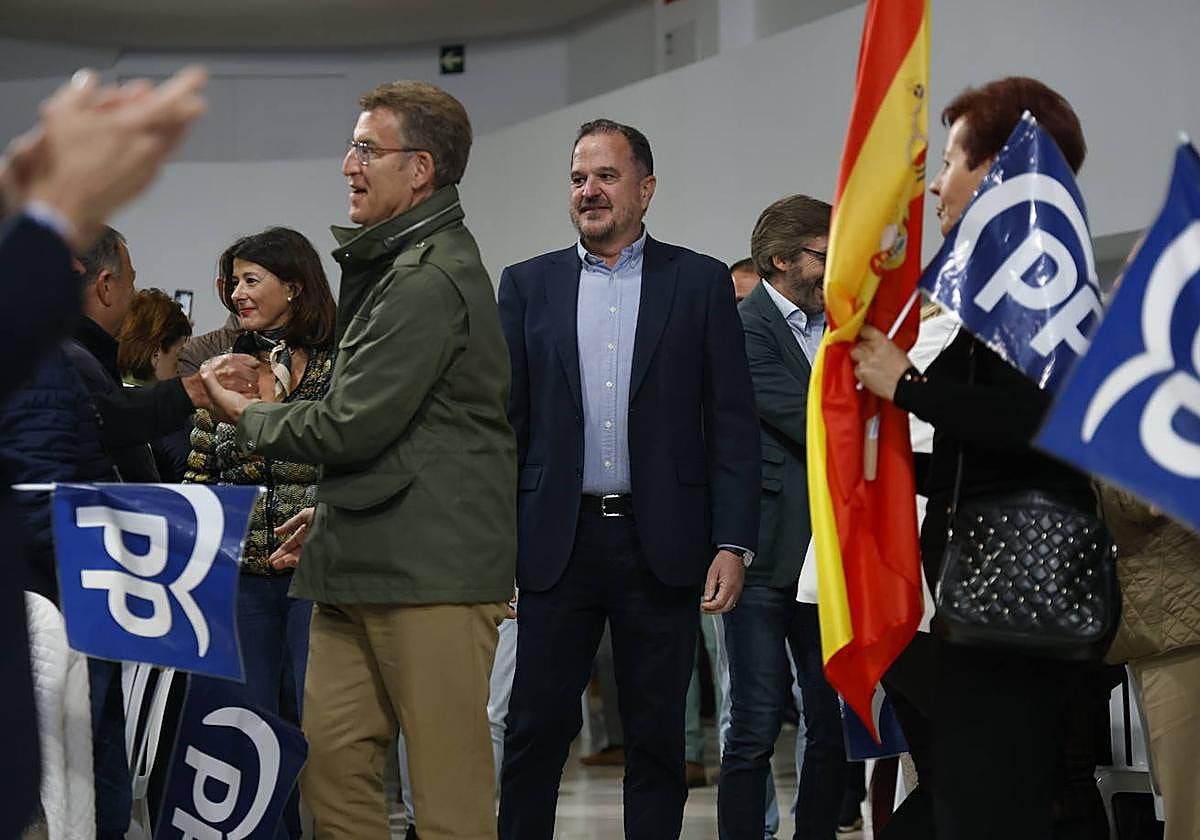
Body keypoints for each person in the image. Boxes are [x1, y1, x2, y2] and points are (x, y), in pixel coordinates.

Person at [199, 80, 515, 840]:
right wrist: (338, 510)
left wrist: (246, 412)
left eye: (367, 148)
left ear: (421, 170)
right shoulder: (392, 269)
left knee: (447, 799)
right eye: (352, 146)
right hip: (360, 560)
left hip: (429, 573)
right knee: (333, 769)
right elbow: (402, 433)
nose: (348, 164)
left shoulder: (424, 278)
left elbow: (348, 428)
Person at [849, 76, 1099, 839]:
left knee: (992, 800)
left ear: (1001, 168)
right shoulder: (1001, 286)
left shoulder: (1035, 275)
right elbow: (975, 450)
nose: (937, 185)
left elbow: (1036, 420)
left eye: (954, 160)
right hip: (982, 599)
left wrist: (908, 387)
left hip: (1016, 601)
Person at [496, 118, 760, 840]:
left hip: (664, 544)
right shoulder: (525, 286)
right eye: (579, 177)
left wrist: (732, 543)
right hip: (556, 544)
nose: (589, 190)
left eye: (606, 176)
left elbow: (732, 423)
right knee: (533, 733)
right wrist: (498, 549)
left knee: (656, 739)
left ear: (645, 188)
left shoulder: (700, 281)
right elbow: (505, 429)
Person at [0, 65, 208, 838]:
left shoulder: (59, 355)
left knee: (94, 763)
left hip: (68, 591)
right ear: (105, 282)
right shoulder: (55, 357)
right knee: (91, 767)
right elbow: (53, 481)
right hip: (65, 594)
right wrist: (56, 207)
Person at [185, 227, 336, 839]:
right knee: (244, 729)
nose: (237, 295)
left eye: (252, 280)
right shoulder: (220, 367)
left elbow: (355, 459)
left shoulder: (342, 363)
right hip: (239, 582)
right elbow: (200, 470)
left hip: (319, 574)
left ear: (295, 287)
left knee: (319, 728)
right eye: (234, 282)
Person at [718, 194, 852, 840]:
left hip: (827, 555)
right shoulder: (743, 330)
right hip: (766, 555)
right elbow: (815, 420)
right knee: (755, 721)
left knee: (830, 719)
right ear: (781, 260)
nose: (836, 270)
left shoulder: (838, 325)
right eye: (826, 257)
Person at [117, 288, 194, 480]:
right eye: (180, 353)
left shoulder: (102, 397)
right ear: (157, 352)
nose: (180, 366)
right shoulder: (170, 421)